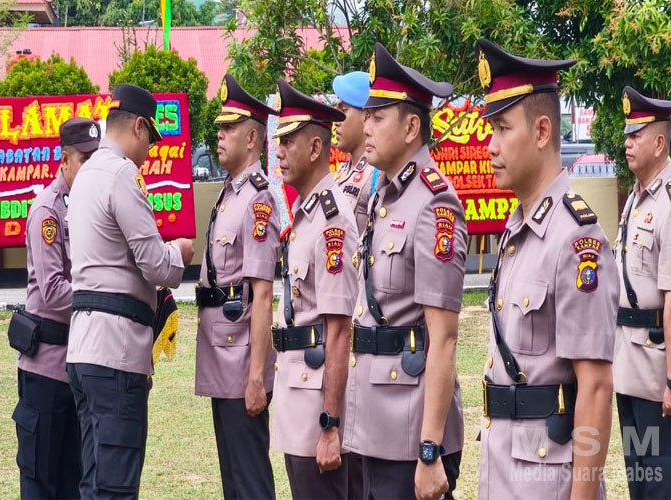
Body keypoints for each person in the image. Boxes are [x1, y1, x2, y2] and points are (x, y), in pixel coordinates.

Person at [474, 39, 619, 499]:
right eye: (491, 130)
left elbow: (595, 387)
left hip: (546, 481)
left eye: (503, 129)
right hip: (502, 467)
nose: (491, 146)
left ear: (541, 132)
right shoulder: (517, 230)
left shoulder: (576, 239)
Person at [341, 42, 467, 500]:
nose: (365, 127)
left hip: (411, 432)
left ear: (412, 127)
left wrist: (430, 449)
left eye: (378, 117)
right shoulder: (384, 195)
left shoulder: (434, 204)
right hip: (375, 422)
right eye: (367, 116)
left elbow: (444, 338)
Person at [65, 83, 194, 499]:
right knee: (115, 487)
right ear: (139, 126)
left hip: (84, 349)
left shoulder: (86, 175)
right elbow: (155, 264)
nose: (149, 151)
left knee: (94, 482)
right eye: (150, 139)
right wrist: (180, 253)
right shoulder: (122, 174)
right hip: (115, 353)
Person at [271, 77, 358, 499]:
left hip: (317, 409)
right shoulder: (307, 214)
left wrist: (330, 425)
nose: (279, 151)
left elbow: (339, 330)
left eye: (289, 141)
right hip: (297, 396)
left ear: (315, 148)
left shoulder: (332, 219)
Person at [194, 73, 280, 499]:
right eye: (220, 127)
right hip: (221, 355)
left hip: (241, 361)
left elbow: (261, 295)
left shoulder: (257, 198)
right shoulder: (231, 193)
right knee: (233, 479)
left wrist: (256, 377)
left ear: (251, 139)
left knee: (249, 481)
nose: (220, 135)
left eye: (229, 128)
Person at [11, 117, 99, 500]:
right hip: (46, 369)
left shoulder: (89, 208)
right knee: (41, 481)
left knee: (73, 482)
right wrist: (101, 300)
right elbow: (53, 291)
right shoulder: (48, 211)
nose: (91, 170)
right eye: (84, 160)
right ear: (65, 160)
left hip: (78, 365)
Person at [613, 86, 671, 500]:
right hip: (628, 367)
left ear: (659, 144)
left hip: (657, 371)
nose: (627, 142)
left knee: (660, 485)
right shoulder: (636, 199)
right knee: (639, 482)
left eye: (636, 135)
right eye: (627, 134)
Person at [332, 70, 376, 235]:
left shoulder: (377, 175)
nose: (336, 121)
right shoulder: (342, 170)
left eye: (343, 111)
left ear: (366, 116)